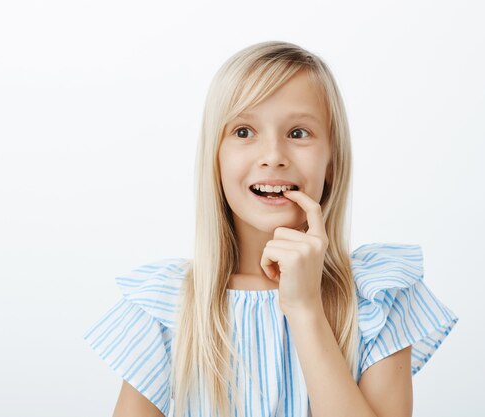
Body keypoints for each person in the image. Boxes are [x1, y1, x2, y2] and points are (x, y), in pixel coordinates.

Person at [82, 41, 459, 417]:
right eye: (244, 132)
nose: (274, 156)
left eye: (298, 133)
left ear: (331, 161)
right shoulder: (167, 305)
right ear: (216, 158)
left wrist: (304, 306)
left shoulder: (378, 296)